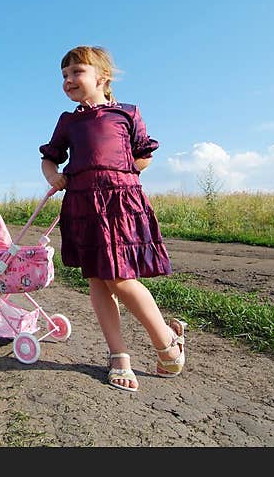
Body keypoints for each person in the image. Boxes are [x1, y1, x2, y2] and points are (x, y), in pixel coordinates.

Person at [39, 45, 185, 392]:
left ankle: (166, 341)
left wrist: (120, 176)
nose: (69, 80)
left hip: (120, 202)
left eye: (77, 72)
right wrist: (53, 176)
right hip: (82, 205)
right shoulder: (68, 121)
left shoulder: (126, 113)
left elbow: (143, 155)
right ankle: (118, 354)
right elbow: (50, 158)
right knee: (96, 280)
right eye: (64, 75)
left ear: (102, 77)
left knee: (119, 278)